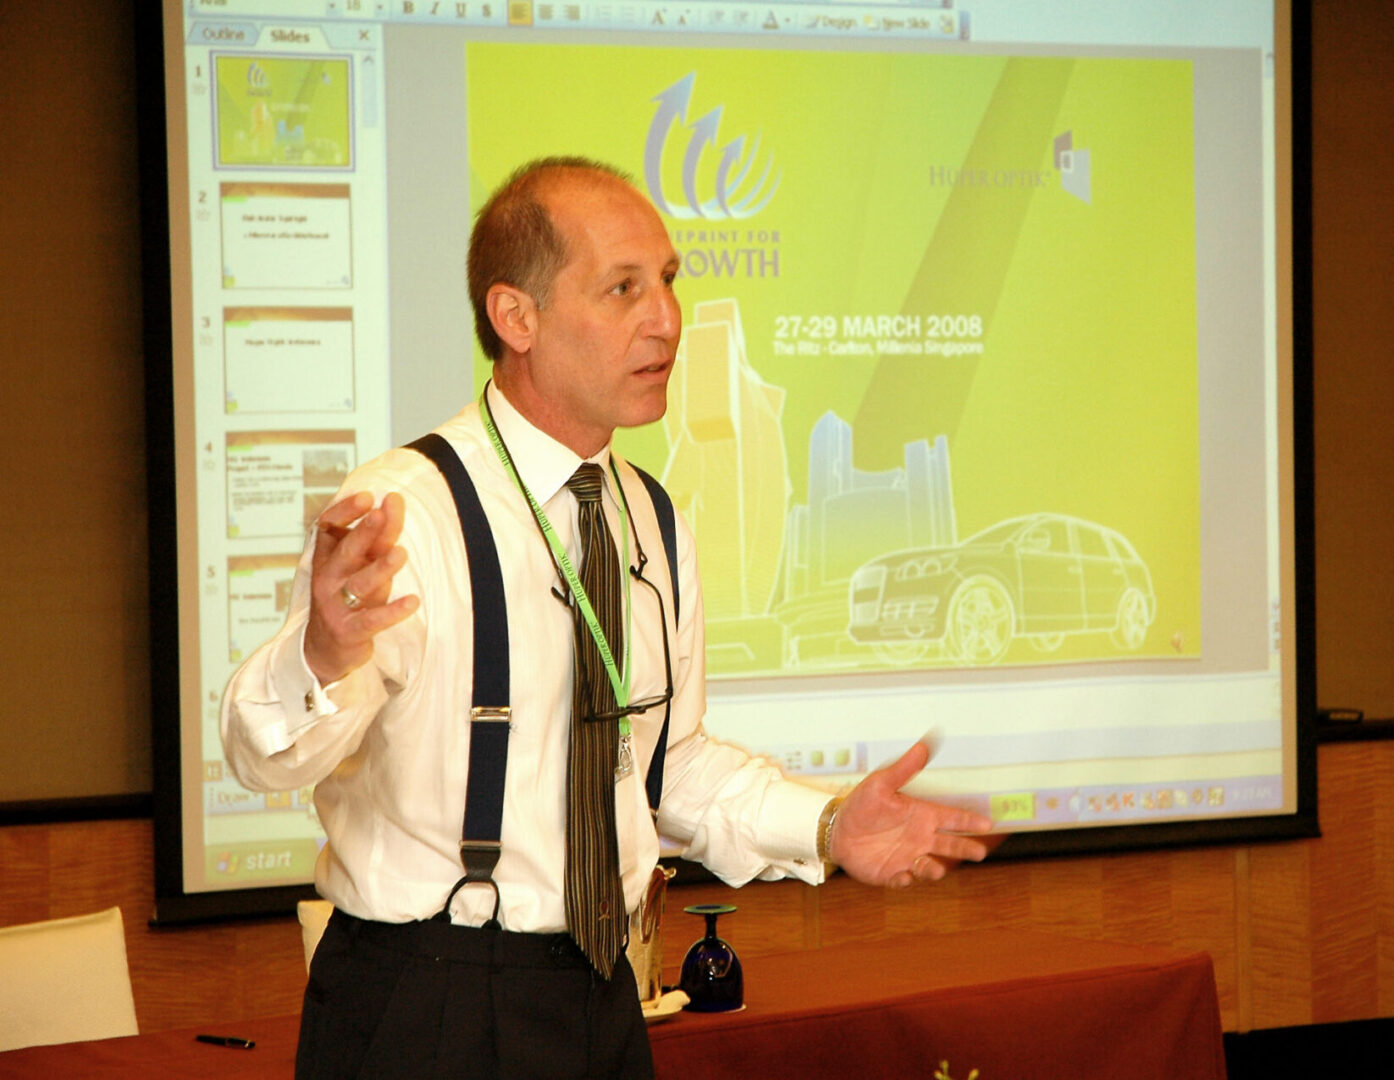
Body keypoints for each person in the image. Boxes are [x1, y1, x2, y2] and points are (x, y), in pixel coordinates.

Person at [222, 156, 994, 1080]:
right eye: (622, 288)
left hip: (600, 997)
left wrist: (827, 827)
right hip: (430, 1003)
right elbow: (265, 756)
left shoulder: (652, 516)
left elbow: (669, 768)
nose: (664, 319)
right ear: (517, 318)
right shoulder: (406, 509)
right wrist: (320, 649)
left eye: (667, 281)